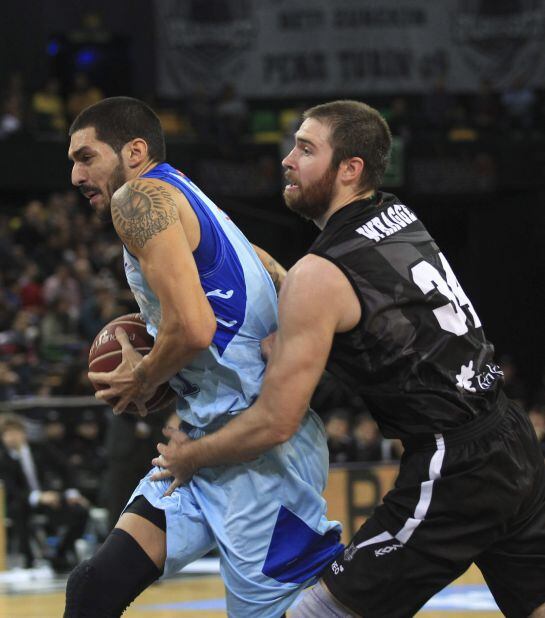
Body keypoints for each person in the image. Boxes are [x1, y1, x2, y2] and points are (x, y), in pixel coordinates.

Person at [152, 100, 545, 617]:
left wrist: (189, 456)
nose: (287, 158)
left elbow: (274, 422)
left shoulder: (320, 274)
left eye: (306, 148)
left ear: (350, 168)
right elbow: (367, 310)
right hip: (512, 436)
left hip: (455, 464)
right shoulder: (396, 214)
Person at [64, 96, 342, 618]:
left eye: (86, 157)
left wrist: (143, 377)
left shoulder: (138, 199)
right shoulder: (186, 193)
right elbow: (267, 268)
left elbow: (194, 328)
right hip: (198, 448)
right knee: (94, 586)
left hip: (257, 452)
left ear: (134, 151)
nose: (76, 174)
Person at [0, 412, 89, 571]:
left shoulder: (40, 448)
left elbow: (66, 468)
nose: (11, 437)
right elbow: (11, 490)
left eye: (14, 432)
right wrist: (39, 497)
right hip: (22, 501)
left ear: (23, 432)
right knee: (18, 510)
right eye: (6, 433)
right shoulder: (3, 459)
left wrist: (71, 492)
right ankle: (28, 560)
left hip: (50, 496)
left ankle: (61, 554)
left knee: (81, 511)